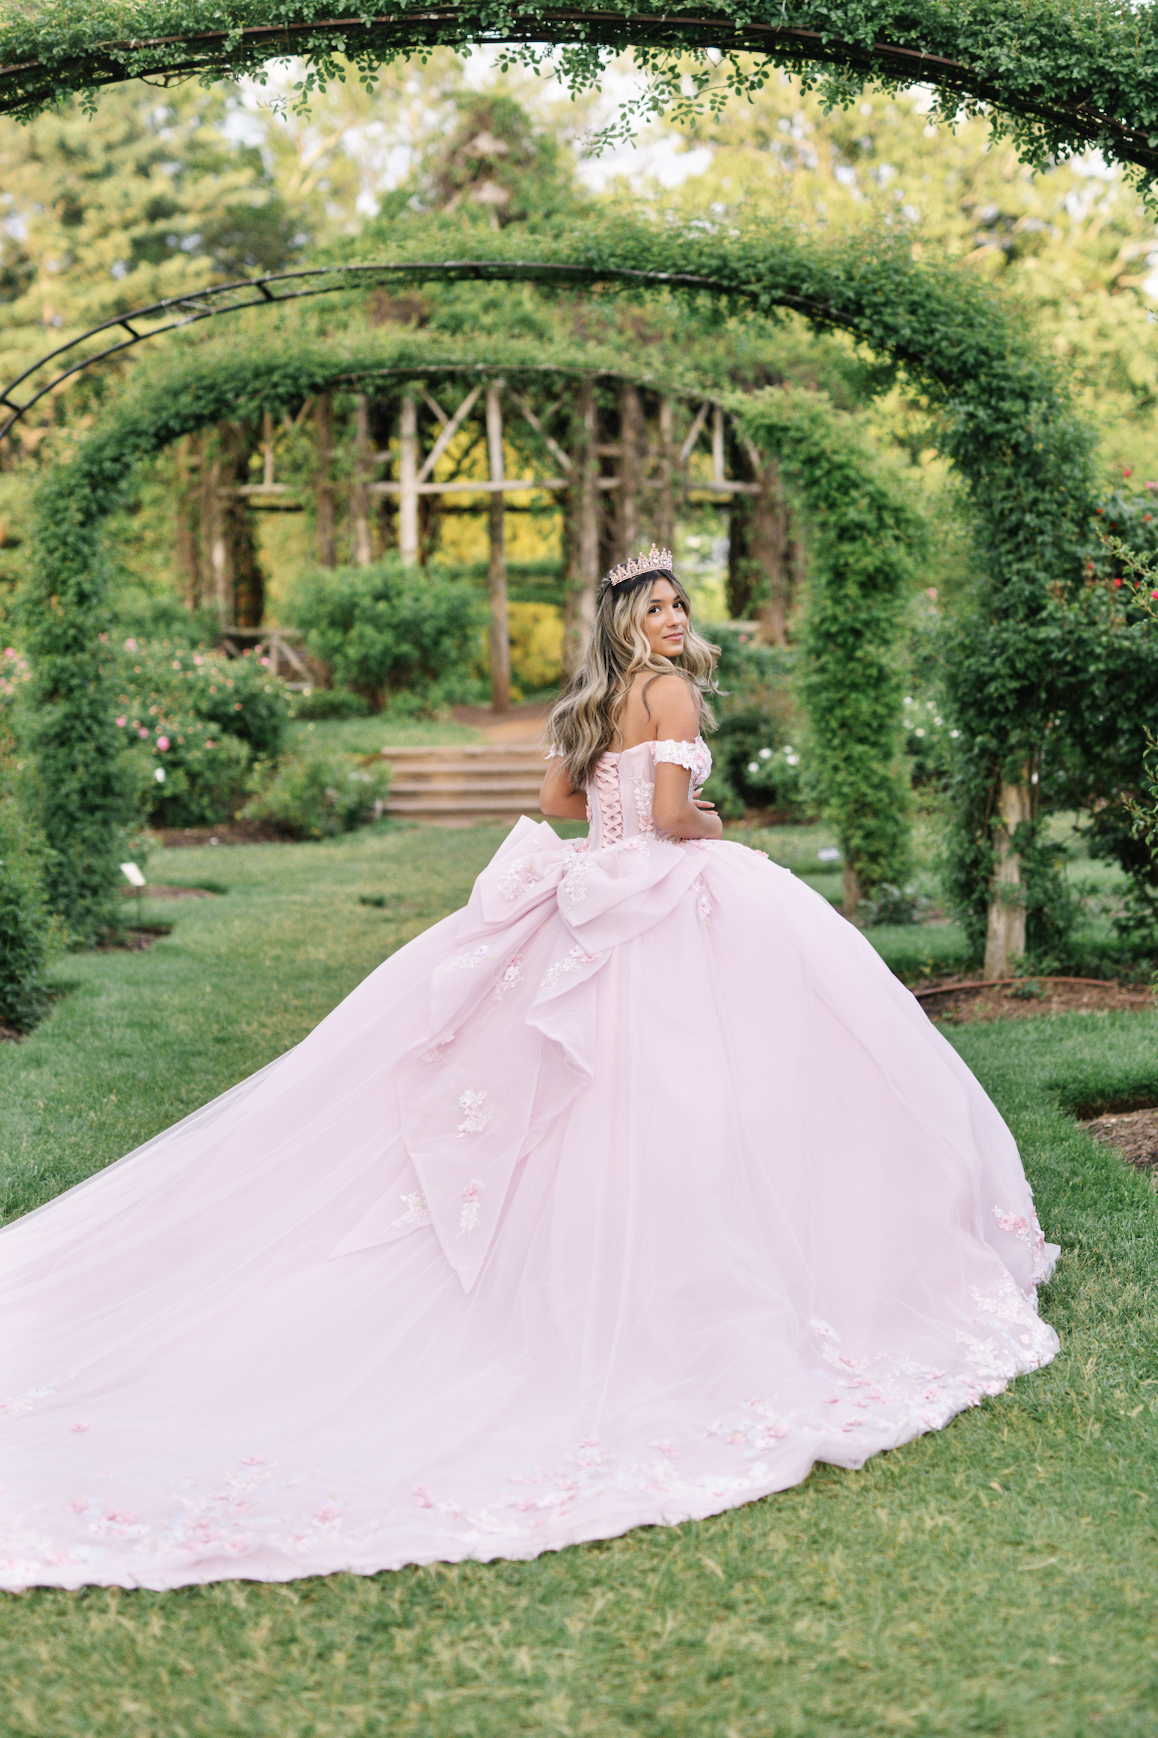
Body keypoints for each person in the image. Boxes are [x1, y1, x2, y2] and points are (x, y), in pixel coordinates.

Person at [0, 546, 1058, 1593]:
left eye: (682, 603)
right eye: (658, 607)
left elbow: (559, 803)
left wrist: (617, 809)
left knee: (575, 1096)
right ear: (628, 622)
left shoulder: (592, 704)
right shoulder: (677, 699)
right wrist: (709, 822)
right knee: (711, 1086)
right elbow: (678, 820)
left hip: (590, 892)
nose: (678, 618)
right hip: (662, 901)